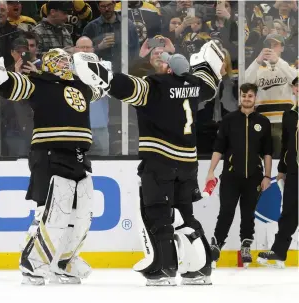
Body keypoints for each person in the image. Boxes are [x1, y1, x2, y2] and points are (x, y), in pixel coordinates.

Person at [73, 40, 225, 286]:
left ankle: (163, 268)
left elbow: (124, 86)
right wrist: (208, 65)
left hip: (160, 162)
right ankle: (200, 268)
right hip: (187, 163)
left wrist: (102, 73)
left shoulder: (155, 86)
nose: (160, 62)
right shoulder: (195, 86)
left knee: (157, 215)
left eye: (164, 61)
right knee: (185, 215)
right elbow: (209, 81)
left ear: (169, 69)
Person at [0, 48, 104, 285]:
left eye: (66, 60)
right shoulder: (40, 83)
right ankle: (33, 264)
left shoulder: (81, 86)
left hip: (79, 156)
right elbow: (11, 85)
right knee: (49, 212)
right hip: (48, 154)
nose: (65, 64)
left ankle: (64, 261)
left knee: (81, 214)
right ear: (48, 65)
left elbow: (102, 86)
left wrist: (99, 70)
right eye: (59, 61)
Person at [206, 83, 273, 268]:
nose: (247, 99)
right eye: (244, 95)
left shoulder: (263, 122)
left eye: (250, 96)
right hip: (230, 175)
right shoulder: (229, 120)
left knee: (248, 213)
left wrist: (267, 176)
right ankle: (217, 245)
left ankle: (246, 245)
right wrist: (211, 171)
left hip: (254, 176)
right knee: (226, 211)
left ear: (255, 98)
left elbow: (267, 152)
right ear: (240, 97)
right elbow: (218, 148)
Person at [257, 76, 298, 268]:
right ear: (294, 89)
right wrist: (281, 169)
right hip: (295, 171)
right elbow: (286, 143)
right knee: (289, 212)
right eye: (297, 86)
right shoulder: (289, 115)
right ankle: (279, 251)